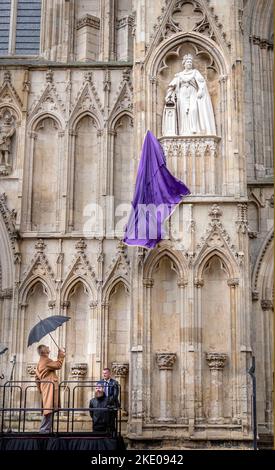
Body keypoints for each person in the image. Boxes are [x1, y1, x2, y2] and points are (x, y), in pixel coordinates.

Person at [162, 53, 216, 136]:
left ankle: (194, 128)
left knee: (193, 109)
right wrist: (168, 95)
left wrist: (201, 90)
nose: (189, 63)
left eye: (190, 62)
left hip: (193, 92)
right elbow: (172, 86)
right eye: (187, 62)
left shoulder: (195, 72)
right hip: (182, 94)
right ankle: (184, 131)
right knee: (183, 111)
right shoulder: (179, 75)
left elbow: (202, 83)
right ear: (184, 64)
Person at [35, 344, 65, 433]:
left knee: (48, 408)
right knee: (48, 409)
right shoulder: (46, 360)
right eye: (47, 347)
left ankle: (46, 429)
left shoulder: (40, 361)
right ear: (44, 351)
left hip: (45, 387)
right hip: (49, 387)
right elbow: (58, 365)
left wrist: (40, 389)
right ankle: (44, 430)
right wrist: (61, 356)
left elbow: (36, 378)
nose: (48, 347)